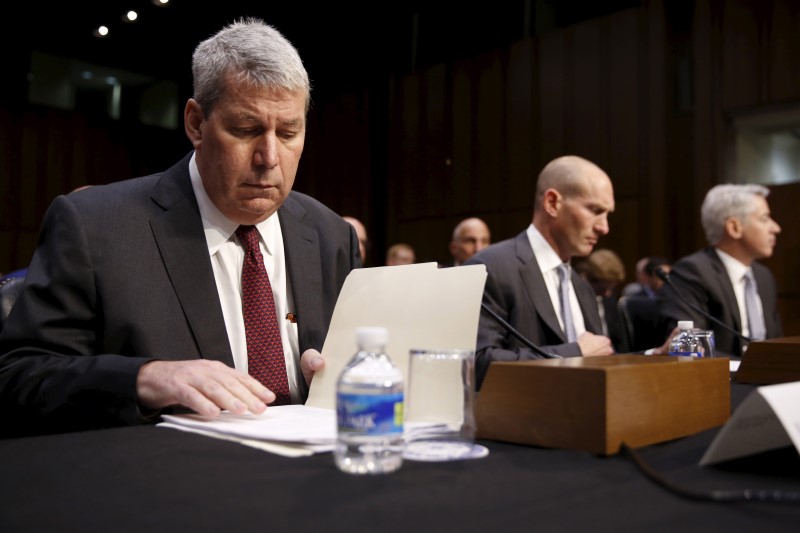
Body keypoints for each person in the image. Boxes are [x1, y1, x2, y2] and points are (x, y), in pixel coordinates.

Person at [0, 18, 361, 437]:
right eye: (245, 130)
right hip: (163, 482)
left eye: (288, 133)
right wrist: (144, 379)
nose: (269, 157)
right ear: (195, 124)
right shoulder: (94, 226)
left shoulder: (332, 235)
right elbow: (19, 376)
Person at [464, 155, 615, 387]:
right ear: (553, 203)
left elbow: (600, 355)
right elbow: (477, 362)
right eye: (595, 210)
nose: (604, 227)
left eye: (607, 215)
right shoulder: (491, 267)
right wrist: (573, 352)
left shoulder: (580, 284)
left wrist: (654, 354)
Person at [659, 183, 782, 357]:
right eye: (764, 218)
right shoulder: (691, 272)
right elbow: (689, 347)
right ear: (734, 227)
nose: (776, 228)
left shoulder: (764, 277)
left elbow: (776, 342)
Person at [573, 248, 628, 353]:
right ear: (585, 277)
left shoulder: (609, 300)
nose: (608, 293)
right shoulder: (572, 299)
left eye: (611, 288)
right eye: (602, 289)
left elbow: (619, 342)